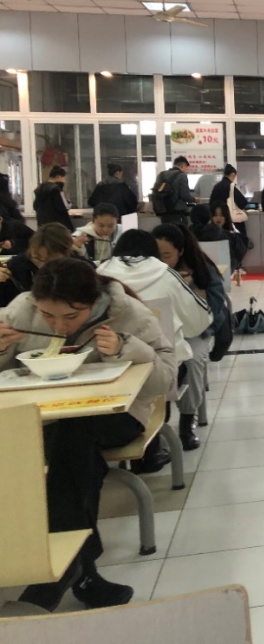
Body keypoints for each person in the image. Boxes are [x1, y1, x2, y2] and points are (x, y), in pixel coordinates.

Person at [0, 258, 176, 611]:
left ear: (94, 301)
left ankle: (64, 571)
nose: (59, 326)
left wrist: (127, 348)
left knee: (72, 434)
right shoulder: (21, 310)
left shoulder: (128, 313)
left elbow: (166, 382)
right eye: (48, 316)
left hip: (118, 415)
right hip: (44, 418)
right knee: (73, 451)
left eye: (71, 316)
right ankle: (82, 569)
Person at [99, 230, 213, 472]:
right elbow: (198, 322)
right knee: (176, 363)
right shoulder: (166, 274)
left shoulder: (98, 275)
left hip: (110, 374)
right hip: (161, 375)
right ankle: (163, 438)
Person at [152, 223, 225, 450]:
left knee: (190, 360)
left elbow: (215, 307)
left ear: (181, 251)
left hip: (196, 332)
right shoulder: (150, 271)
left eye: (167, 256)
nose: (162, 261)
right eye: (157, 255)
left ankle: (187, 421)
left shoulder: (200, 269)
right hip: (159, 334)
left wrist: (190, 288)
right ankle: (157, 420)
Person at [0, 223, 91, 308]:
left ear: (66, 254)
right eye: (37, 258)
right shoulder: (16, 266)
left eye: (50, 261)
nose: (42, 266)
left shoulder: (80, 268)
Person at [150, 157, 195, 226]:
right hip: (177, 211)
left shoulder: (162, 174)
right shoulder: (182, 175)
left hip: (164, 211)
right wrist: (194, 199)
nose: (185, 170)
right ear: (182, 166)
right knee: (180, 231)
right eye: (185, 168)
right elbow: (185, 195)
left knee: (168, 231)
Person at [210, 164, 249, 240]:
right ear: (233, 174)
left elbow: (211, 203)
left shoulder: (216, 186)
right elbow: (243, 202)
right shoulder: (231, 186)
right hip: (230, 219)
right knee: (238, 238)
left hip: (217, 224)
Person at [210, 199, 249, 274]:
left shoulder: (232, 235)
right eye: (215, 215)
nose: (218, 218)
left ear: (226, 216)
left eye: (221, 215)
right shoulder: (207, 233)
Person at [33, 165, 73, 231]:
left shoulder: (39, 189)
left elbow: (35, 206)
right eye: (63, 178)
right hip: (57, 224)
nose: (64, 181)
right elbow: (64, 207)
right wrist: (69, 202)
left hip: (42, 224)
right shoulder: (56, 189)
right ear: (58, 177)